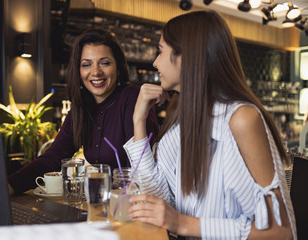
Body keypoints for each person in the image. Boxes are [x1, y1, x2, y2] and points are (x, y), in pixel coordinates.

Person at [123, 10, 296, 239]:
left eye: (161, 51)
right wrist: (139, 120)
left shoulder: (242, 119)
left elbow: (281, 233)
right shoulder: (182, 116)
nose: (155, 62)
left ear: (187, 56)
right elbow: (158, 201)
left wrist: (183, 223)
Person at [8, 28, 159, 195]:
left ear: (118, 68)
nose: (95, 72)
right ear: (79, 72)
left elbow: (144, 168)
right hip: (103, 202)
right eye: (86, 64)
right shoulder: (81, 108)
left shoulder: (133, 98)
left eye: (105, 63)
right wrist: (9, 185)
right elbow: (53, 157)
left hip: (136, 204)